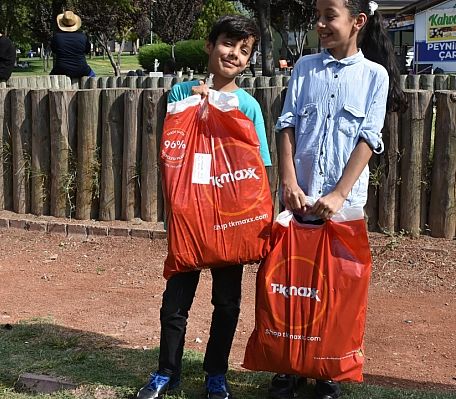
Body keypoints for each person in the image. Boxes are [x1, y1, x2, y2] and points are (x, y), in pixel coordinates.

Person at [267, 1, 406, 399]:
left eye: (330, 15)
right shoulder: (305, 68)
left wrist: (339, 193)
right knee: (293, 282)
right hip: (298, 200)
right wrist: (289, 182)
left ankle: (326, 366)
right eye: (319, 16)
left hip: (342, 205)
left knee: (333, 288)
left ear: (358, 22)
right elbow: (287, 123)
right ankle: (287, 364)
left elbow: (369, 138)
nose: (321, 23)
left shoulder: (374, 76)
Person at [135, 14, 271, 399]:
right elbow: (172, 151)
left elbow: (259, 170)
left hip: (231, 221)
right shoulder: (181, 94)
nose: (235, 54)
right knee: (175, 302)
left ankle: (216, 373)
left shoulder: (249, 106)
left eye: (245, 50)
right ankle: (167, 371)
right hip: (191, 219)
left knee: (226, 304)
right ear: (210, 46)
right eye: (229, 43)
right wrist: (198, 106)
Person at [50, 11, 95, 78]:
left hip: (61, 69)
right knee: (93, 76)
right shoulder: (83, 37)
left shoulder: (57, 37)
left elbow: (54, 50)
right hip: (81, 69)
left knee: (51, 78)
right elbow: (87, 50)